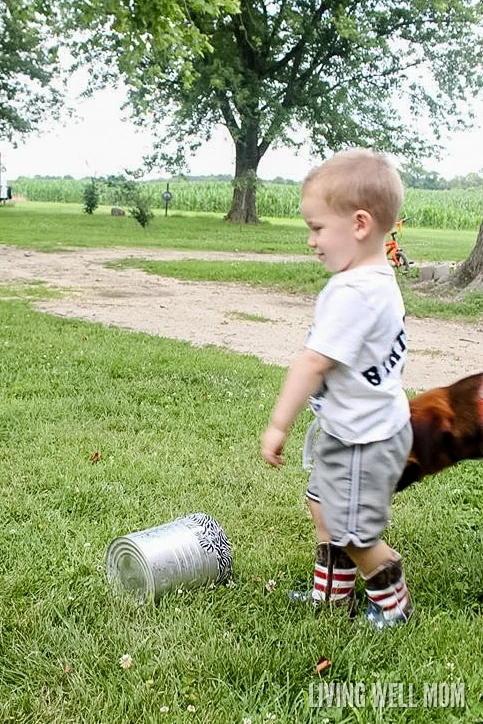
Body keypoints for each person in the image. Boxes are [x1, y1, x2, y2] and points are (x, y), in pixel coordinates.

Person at [261, 148, 413, 631]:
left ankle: (393, 605)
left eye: (318, 227)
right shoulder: (376, 279)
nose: (311, 240)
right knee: (321, 505)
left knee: (353, 529)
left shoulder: (352, 293)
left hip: (363, 440)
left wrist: (278, 423)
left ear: (361, 224)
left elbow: (312, 362)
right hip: (358, 430)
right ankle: (331, 596)